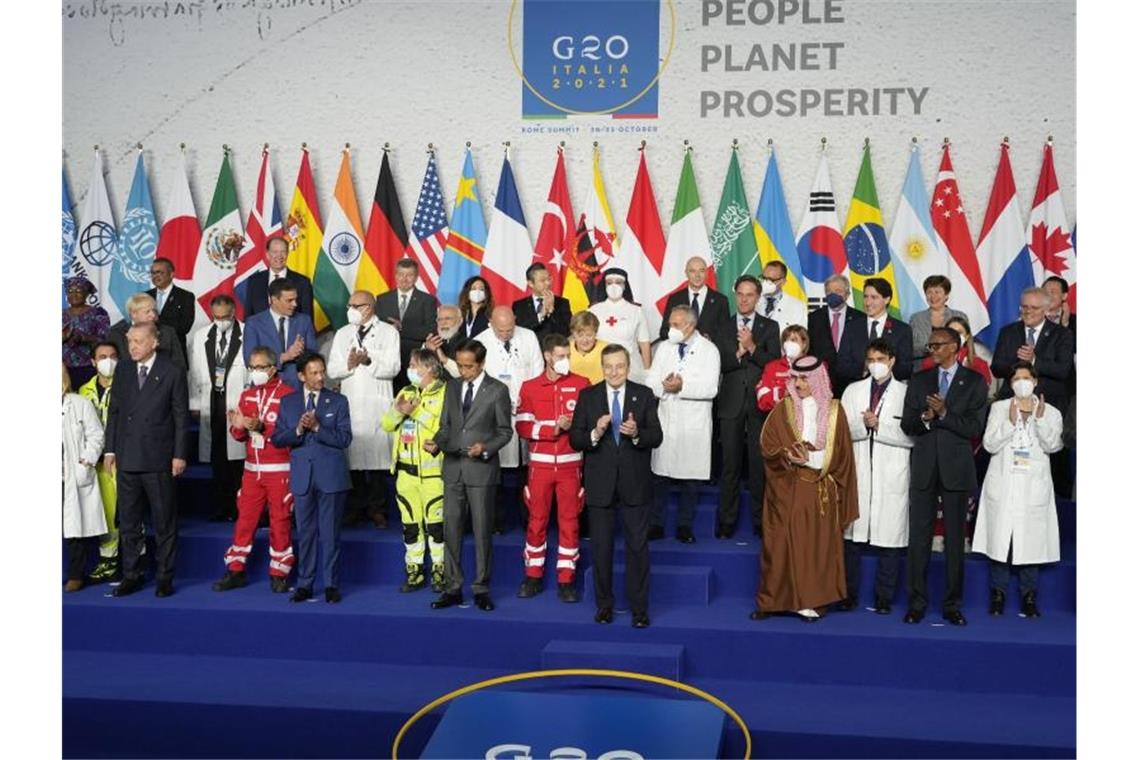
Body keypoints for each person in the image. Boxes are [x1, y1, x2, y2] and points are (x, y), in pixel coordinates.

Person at [752, 355, 858, 622]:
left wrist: (808, 459)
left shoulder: (835, 411)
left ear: (817, 379)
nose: (798, 384)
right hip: (785, 487)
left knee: (811, 547)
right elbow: (768, 445)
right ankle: (773, 601)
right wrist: (787, 456)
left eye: (804, 379)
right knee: (778, 545)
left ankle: (810, 602)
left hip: (817, 487)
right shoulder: (783, 409)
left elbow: (841, 455)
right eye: (795, 378)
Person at [569, 344, 664, 628]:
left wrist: (637, 434)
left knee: (638, 549)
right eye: (608, 366)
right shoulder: (588, 396)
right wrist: (595, 432)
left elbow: (656, 436)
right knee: (601, 549)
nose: (614, 371)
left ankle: (639, 610)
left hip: (636, 485)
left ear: (628, 366)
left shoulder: (644, 395)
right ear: (602, 367)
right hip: (600, 486)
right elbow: (576, 439)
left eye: (619, 366)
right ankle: (604, 606)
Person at [900, 326, 988, 625]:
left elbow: (974, 427)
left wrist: (946, 413)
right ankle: (916, 602)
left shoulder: (975, 382)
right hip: (924, 466)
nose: (932, 349)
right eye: (930, 345)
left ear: (955, 346)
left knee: (954, 541)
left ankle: (952, 604)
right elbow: (908, 424)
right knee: (919, 539)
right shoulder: (920, 379)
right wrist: (926, 417)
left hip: (956, 468)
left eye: (938, 345)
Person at [103, 322, 190, 598]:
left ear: (154, 342)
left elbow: (180, 416)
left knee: (164, 522)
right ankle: (132, 574)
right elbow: (115, 412)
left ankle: (164, 576)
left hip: (158, 459)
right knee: (129, 523)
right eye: (130, 342)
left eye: (138, 341)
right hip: (128, 458)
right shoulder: (125, 369)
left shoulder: (172, 371)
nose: (132, 347)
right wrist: (110, 450)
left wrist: (179, 454)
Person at [975, 362, 1064, 618]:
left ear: (1035, 381)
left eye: (1026, 377)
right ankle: (998, 594)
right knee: (1001, 539)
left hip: (1033, 485)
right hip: (1003, 481)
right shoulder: (999, 408)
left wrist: (1039, 421)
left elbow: (1053, 446)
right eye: (1016, 378)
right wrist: (1011, 423)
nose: (1021, 382)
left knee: (1031, 541)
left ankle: (1029, 595)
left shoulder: (1051, 412)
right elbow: (990, 444)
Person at [430, 339, 513, 612]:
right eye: (461, 366)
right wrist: (437, 443)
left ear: (482, 364)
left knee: (481, 532)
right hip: (452, 468)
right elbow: (445, 426)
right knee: (451, 530)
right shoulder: (451, 387)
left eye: (469, 367)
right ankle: (452, 588)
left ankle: (481, 587)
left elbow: (505, 431)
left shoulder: (497, 390)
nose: (464, 371)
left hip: (481, 471)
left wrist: (486, 448)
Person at [212, 346, 297, 594]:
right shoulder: (247, 395)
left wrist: (261, 428)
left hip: (279, 469)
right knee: (245, 520)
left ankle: (279, 572)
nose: (255, 371)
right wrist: (238, 426)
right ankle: (235, 570)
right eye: (251, 367)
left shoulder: (289, 395)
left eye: (260, 367)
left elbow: (289, 434)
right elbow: (239, 435)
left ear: (272, 369)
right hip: (251, 469)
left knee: (280, 520)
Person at [839, 339, 914, 614]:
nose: (875, 365)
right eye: (871, 360)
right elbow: (842, 429)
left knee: (890, 539)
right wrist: (863, 426)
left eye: (880, 359)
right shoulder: (853, 390)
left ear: (892, 361)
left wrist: (879, 426)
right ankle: (848, 594)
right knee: (852, 539)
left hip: (891, 470)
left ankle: (884, 598)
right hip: (859, 466)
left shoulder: (906, 393)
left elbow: (912, 436)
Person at [271, 353, 353, 603]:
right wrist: (298, 429)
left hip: (331, 477)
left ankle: (330, 584)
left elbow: (344, 439)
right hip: (302, 477)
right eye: (314, 373)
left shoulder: (338, 401)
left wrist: (318, 427)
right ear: (301, 376)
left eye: (322, 371)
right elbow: (277, 439)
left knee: (330, 534)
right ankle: (305, 583)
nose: (320, 377)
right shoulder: (288, 402)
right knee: (305, 533)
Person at [514, 334, 590, 602]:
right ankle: (533, 576)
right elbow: (522, 426)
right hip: (540, 468)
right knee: (537, 523)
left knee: (570, 523)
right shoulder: (530, 387)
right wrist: (552, 428)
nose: (564, 361)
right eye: (559, 356)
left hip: (571, 467)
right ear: (547, 356)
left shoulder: (582, 384)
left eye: (567, 356)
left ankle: (566, 580)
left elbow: (588, 425)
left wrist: (576, 427)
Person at [990, 287, 1075, 498]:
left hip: (1048, 409)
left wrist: (1035, 361)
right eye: (1024, 307)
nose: (1028, 312)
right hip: (1012, 409)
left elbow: (1063, 370)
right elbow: (997, 367)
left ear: (1046, 309)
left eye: (1034, 308)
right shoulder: (1009, 331)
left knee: (1053, 472)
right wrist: (1019, 364)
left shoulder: (1062, 334)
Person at [647, 304, 721, 543]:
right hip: (666, 416)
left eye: (676, 325)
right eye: (670, 324)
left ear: (691, 325)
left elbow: (711, 388)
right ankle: (656, 524)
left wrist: (682, 386)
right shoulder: (664, 349)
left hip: (694, 421)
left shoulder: (709, 350)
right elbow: (651, 382)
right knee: (659, 476)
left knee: (690, 479)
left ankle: (684, 526)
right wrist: (665, 386)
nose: (671, 328)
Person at [327, 290, 401, 529]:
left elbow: (393, 367)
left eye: (356, 305)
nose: (351, 309)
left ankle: (377, 509)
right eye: (350, 305)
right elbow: (332, 370)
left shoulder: (389, 333)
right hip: (351, 401)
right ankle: (355, 508)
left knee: (378, 460)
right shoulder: (342, 333)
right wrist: (349, 364)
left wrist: (368, 361)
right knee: (354, 461)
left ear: (370, 306)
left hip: (377, 402)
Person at [716, 275, 780, 539]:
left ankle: (759, 520)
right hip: (730, 402)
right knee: (730, 464)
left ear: (758, 297)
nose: (744, 299)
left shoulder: (769, 326)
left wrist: (752, 347)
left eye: (749, 295)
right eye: (740, 294)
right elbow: (720, 362)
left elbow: (774, 363)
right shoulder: (722, 326)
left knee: (757, 464)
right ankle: (726, 521)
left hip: (759, 403)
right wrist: (739, 354)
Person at [381, 349, 448, 592]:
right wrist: (398, 411)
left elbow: (442, 427)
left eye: (414, 365)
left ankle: (440, 571)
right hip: (405, 474)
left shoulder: (444, 393)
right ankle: (414, 571)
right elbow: (386, 425)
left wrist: (416, 411)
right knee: (410, 526)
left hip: (433, 475)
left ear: (429, 368)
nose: (409, 369)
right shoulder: (406, 392)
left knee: (436, 526)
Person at [475, 306, 544, 533]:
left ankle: (529, 521)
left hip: (525, 409)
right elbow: (478, 379)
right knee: (497, 471)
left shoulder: (529, 336)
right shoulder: (480, 341)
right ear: (490, 324)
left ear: (515, 320)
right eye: (500, 331)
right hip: (494, 414)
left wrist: (526, 401)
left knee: (527, 469)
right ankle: (496, 522)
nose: (506, 334)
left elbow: (537, 372)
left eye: (509, 329)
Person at [187, 294, 246, 522]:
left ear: (234, 313)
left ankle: (239, 507)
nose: (221, 321)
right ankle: (221, 506)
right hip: (212, 401)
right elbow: (194, 372)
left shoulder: (247, 332)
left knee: (238, 461)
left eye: (226, 316)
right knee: (218, 458)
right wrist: (194, 402)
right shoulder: (202, 336)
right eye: (217, 317)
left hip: (238, 403)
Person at [78, 342, 121, 583]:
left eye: (113, 356)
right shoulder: (83, 391)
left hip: (120, 460)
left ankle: (129, 560)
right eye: (102, 357)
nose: (108, 361)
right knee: (102, 513)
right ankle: (108, 560)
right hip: (93, 462)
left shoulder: (127, 388)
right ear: (93, 362)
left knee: (122, 512)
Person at [62, 365, 107, 592]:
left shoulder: (79, 404)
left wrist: (86, 460)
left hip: (71, 474)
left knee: (74, 530)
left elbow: (96, 435)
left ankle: (75, 575)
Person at [242, 278, 319, 390]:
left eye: (295, 299)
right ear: (274, 300)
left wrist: (302, 353)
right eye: (289, 300)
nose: (295, 304)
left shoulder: (304, 321)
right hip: (266, 387)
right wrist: (284, 357)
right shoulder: (254, 323)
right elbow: (248, 359)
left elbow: (313, 356)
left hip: (297, 388)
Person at [376, 258, 439, 390]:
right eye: (400, 274)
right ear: (395, 275)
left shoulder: (428, 300)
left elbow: (431, 330)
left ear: (416, 277)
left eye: (409, 275)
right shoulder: (382, 299)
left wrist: (402, 328)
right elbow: (377, 329)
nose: (404, 279)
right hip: (386, 360)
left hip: (414, 362)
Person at [590, 268, 652, 383]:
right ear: (604, 285)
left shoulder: (636, 311)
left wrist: (648, 371)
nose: (614, 286)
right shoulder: (593, 310)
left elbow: (644, 343)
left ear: (625, 286)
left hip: (631, 368)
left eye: (618, 282)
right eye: (609, 283)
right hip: (601, 367)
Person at [807, 274, 864, 397]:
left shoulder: (861, 319)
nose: (833, 295)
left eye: (838, 291)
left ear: (847, 294)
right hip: (821, 383)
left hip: (852, 382)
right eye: (829, 291)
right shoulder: (813, 319)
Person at [852, 278, 914, 381]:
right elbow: (842, 365)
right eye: (865, 297)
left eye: (874, 297)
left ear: (887, 299)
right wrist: (866, 368)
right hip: (858, 389)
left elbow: (906, 368)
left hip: (891, 391)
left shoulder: (902, 330)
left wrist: (883, 371)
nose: (868, 302)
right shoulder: (852, 327)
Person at [107, 293, 188, 371]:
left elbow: (179, 365)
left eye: (154, 311)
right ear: (133, 314)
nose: (153, 315)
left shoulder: (168, 332)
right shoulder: (116, 334)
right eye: (147, 311)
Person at [657, 256, 731, 343]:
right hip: (680, 353)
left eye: (701, 271)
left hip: (708, 353)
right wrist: (682, 336)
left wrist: (709, 339)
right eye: (692, 271)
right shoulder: (675, 299)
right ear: (686, 273)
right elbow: (664, 332)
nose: (697, 275)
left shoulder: (720, 300)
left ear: (707, 273)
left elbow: (726, 334)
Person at [242, 235, 315, 318]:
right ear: (267, 255)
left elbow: (307, 319)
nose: (279, 256)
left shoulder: (303, 282)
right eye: (275, 252)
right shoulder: (254, 281)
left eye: (283, 251)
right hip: (260, 330)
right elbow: (248, 317)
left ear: (287, 253)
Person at [63, 276, 110, 389]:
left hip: (88, 367)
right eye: (70, 291)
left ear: (86, 293)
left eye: (78, 291)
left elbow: (105, 340)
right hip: (62, 369)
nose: (74, 294)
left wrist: (84, 338)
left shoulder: (98, 313)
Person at [756, 325, 812, 414]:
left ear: (804, 344)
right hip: (781, 421)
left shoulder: (816, 366)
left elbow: (824, 396)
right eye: (786, 340)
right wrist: (783, 393)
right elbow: (762, 399)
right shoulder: (772, 367)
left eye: (794, 340)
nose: (789, 343)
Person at [145, 256, 196, 354]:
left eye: (160, 272)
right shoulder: (145, 296)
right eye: (153, 273)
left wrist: (156, 319)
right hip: (149, 352)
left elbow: (184, 327)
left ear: (171, 274)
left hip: (174, 353)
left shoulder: (185, 296)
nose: (156, 276)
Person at [910, 275, 967, 361]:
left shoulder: (959, 316)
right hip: (922, 369)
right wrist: (929, 348)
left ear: (946, 295)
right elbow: (910, 349)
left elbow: (966, 346)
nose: (933, 296)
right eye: (929, 292)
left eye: (937, 292)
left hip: (953, 367)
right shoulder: (916, 318)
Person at [513, 262, 572, 340]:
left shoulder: (562, 303)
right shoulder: (519, 306)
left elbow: (567, 331)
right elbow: (520, 332)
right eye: (543, 281)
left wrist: (551, 311)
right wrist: (541, 315)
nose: (548, 283)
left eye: (549, 279)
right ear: (530, 283)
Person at [758, 261, 808, 334]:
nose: (765, 283)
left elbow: (801, 338)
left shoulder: (798, 307)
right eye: (763, 278)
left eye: (771, 280)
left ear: (782, 282)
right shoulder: (752, 301)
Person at [568, 311, 609, 385]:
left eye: (589, 335)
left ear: (595, 333)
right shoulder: (565, 350)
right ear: (573, 334)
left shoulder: (607, 350)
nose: (585, 340)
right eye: (580, 335)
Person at [425, 304, 464, 378]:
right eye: (439, 319)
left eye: (448, 319)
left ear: (460, 321)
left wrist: (444, 359)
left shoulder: (469, 344)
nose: (443, 323)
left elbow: (464, 374)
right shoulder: (432, 341)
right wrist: (426, 350)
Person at [457, 275, 494, 339]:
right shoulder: (459, 314)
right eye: (474, 289)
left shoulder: (491, 315)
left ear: (486, 293)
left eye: (481, 289)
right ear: (467, 292)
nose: (477, 292)